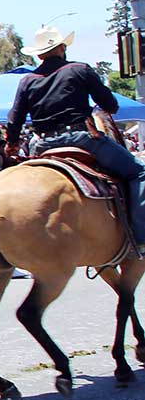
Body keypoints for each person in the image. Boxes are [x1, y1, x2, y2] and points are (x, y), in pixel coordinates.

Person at [9, 25, 145, 247]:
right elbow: (110, 105)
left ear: (39, 54)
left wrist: (12, 145)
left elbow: (14, 119)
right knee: (139, 172)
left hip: (42, 145)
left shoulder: (27, 81)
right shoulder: (80, 70)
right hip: (81, 138)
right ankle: (141, 238)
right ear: (62, 48)